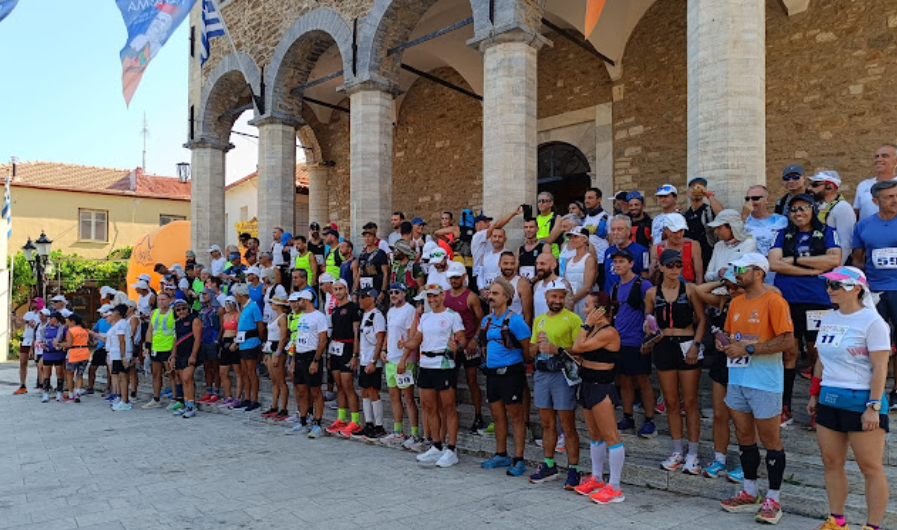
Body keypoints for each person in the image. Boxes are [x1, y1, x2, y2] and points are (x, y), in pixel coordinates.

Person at [809, 266, 890, 530]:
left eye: (835, 285)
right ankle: (837, 520)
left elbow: (880, 367)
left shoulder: (873, 322)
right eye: (828, 285)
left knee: (870, 466)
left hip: (861, 399)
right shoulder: (829, 318)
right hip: (830, 397)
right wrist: (814, 394)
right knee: (831, 462)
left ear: (856, 288)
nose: (829, 290)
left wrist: (873, 406)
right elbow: (821, 359)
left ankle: (872, 526)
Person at [719, 253, 794, 525]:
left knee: (770, 440)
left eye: (741, 268)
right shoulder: (736, 302)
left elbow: (787, 341)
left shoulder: (775, 301)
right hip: (738, 378)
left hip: (765, 381)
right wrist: (724, 343)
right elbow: (732, 336)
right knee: (744, 435)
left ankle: (773, 498)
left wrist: (749, 348)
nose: (736, 273)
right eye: (735, 268)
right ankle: (750, 491)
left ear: (759, 272)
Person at [769, 193, 841, 426]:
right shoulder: (782, 234)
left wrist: (795, 260)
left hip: (817, 300)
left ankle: (819, 406)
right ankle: (785, 406)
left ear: (813, 209)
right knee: (788, 352)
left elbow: (834, 260)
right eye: (794, 209)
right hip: (787, 300)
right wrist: (811, 270)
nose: (798, 213)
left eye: (803, 208)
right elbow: (774, 263)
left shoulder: (827, 232)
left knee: (817, 353)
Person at [643, 249, 706, 473]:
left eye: (679, 265)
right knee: (670, 401)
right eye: (670, 265)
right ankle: (677, 450)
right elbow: (648, 319)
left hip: (686, 342)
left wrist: (696, 344)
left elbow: (702, 319)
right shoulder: (652, 292)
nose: (675, 269)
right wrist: (649, 331)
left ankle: (693, 453)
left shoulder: (689, 289)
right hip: (663, 345)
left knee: (690, 401)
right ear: (661, 267)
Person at [403, 284, 466, 468]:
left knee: (448, 407)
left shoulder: (452, 315)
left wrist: (457, 346)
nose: (432, 300)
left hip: (443, 364)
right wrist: (406, 344)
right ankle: (436, 445)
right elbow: (417, 339)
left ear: (442, 296)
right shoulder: (425, 317)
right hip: (426, 364)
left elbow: (462, 338)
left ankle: (451, 449)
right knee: (428, 406)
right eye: (429, 297)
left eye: (435, 296)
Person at [572, 292, 626, 504]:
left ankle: (615, 487)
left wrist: (586, 325)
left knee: (610, 435)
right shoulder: (593, 330)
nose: (584, 310)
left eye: (587, 306)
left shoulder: (608, 332)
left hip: (601, 386)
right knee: (594, 434)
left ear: (599, 310)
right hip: (587, 383)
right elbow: (578, 349)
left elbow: (578, 346)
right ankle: (596, 477)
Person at [528, 279, 583, 488]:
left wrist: (557, 349)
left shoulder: (573, 319)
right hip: (543, 373)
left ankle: (574, 469)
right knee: (547, 423)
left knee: (567, 424)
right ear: (546, 297)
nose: (558, 300)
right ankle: (549, 464)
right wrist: (538, 346)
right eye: (554, 296)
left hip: (562, 373)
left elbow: (580, 349)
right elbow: (530, 350)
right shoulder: (539, 320)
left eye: (561, 296)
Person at [479, 278, 531, 477]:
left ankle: (519, 458)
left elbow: (527, 348)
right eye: (490, 293)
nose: (491, 297)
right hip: (493, 373)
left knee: (516, 417)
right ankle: (501, 454)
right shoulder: (487, 320)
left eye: (496, 293)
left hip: (511, 373)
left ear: (507, 297)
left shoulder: (515, 320)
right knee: (497, 416)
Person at [852, 179, 897, 410]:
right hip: (875, 290)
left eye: (896, 195)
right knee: (874, 341)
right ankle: (872, 390)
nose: (895, 200)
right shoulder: (863, 226)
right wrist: (862, 289)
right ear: (875, 200)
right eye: (889, 197)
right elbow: (858, 259)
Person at [608, 248, 656, 439]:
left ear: (631, 263)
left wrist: (648, 338)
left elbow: (651, 312)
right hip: (620, 340)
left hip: (638, 340)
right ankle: (628, 417)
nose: (618, 265)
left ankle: (650, 420)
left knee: (642, 381)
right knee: (624, 380)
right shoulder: (615, 286)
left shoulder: (643, 284)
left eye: (622, 261)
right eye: (615, 262)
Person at [443, 261, 486, 434]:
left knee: (472, 380)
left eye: (456, 277)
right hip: (451, 345)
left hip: (468, 344)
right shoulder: (444, 295)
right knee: (450, 380)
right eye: (451, 277)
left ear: (463, 277)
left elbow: (482, 320)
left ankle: (478, 416)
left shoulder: (471, 297)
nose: (453, 280)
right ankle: (450, 414)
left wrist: (475, 339)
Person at [380, 283, 421, 448]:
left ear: (404, 293)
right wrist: (384, 349)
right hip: (391, 359)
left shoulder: (409, 310)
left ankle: (415, 434)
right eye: (391, 292)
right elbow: (389, 333)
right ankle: (398, 432)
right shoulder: (391, 311)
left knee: (408, 398)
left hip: (404, 360)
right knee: (394, 397)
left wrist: (404, 359)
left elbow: (411, 337)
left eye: (397, 292)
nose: (393, 295)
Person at [286, 290, 330, 438]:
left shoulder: (319, 317)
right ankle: (303, 420)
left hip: (311, 355)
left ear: (306, 300)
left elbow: (323, 340)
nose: (297, 303)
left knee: (315, 391)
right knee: (302, 390)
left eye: (299, 300)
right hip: (300, 355)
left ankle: (318, 423)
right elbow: (297, 338)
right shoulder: (302, 317)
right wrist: (293, 360)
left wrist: (316, 360)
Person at [324, 280, 364, 437]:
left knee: (348, 385)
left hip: (347, 348)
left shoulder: (353, 308)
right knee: (339, 385)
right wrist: (329, 355)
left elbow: (356, 333)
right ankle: (341, 418)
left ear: (346, 289)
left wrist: (355, 355)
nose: (338, 291)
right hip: (335, 349)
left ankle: (355, 420)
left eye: (340, 289)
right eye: (335, 289)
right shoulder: (334, 310)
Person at [356, 289, 388, 440]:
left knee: (373, 391)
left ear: (372, 298)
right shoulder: (364, 315)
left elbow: (380, 338)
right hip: (364, 359)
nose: (360, 300)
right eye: (360, 297)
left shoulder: (377, 316)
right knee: (364, 390)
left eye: (364, 297)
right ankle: (369, 423)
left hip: (372, 360)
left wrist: (374, 361)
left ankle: (379, 425)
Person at [809, 171, 855, 267]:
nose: (810, 188)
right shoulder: (818, 206)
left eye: (815, 185)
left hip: (834, 265)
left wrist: (835, 270)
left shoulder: (842, 208)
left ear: (829, 187)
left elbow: (846, 243)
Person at [232, 283, 265, 412]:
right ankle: (247, 397)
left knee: (251, 371)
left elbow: (260, 326)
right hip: (243, 343)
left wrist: (259, 341)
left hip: (251, 342)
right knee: (244, 371)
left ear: (240, 295)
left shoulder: (253, 306)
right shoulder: (244, 308)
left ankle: (254, 399)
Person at [141, 291, 176, 409]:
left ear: (169, 300)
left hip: (168, 347)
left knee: (171, 374)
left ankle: (175, 398)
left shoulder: (173, 313)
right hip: (156, 347)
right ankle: (156, 398)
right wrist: (147, 346)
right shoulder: (154, 313)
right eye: (159, 300)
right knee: (156, 374)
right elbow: (150, 330)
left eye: (163, 300)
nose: (160, 302)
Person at [167, 299, 201, 418]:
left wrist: (193, 355)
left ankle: (191, 406)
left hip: (190, 353)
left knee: (187, 379)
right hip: (180, 353)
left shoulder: (194, 320)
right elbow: (175, 340)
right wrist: (173, 355)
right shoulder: (177, 323)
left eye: (183, 308)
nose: (181, 311)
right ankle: (187, 404)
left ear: (188, 308)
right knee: (182, 380)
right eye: (178, 310)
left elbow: (197, 339)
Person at [650, 213, 704, 284]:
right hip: (665, 286)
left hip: (688, 286)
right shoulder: (656, 248)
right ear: (665, 230)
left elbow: (699, 275)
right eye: (674, 231)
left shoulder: (693, 245)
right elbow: (651, 277)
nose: (678, 235)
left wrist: (697, 290)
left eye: (681, 230)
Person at [705, 209, 757, 282]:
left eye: (719, 227)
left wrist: (728, 272)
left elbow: (744, 270)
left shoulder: (749, 243)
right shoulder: (718, 246)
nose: (716, 231)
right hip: (716, 286)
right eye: (715, 228)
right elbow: (707, 276)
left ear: (732, 227)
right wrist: (718, 273)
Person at [261, 296, 290, 421]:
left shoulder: (282, 318)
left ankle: (284, 408)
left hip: (277, 347)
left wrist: (278, 353)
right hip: (270, 347)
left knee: (280, 380)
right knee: (274, 380)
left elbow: (283, 337)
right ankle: (274, 406)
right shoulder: (275, 317)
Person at [604, 215, 649, 292]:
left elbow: (645, 277)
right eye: (613, 229)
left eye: (620, 229)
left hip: (630, 295)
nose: (615, 233)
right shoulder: (608, 251)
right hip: (609, 295)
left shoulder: (641, 251)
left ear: (628, 231)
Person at [743, 185, 788, 259]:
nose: (750, 202)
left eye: (755, 198)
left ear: (767, 200)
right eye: (747, 199)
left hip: (773, 262)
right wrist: (744, 216)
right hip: (748, 263)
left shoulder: (781, 220)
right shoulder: (743, 220)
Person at [854, 143, 897, 221]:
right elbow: (857, 214)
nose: (879, 159)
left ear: (895, 161)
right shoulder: (863, 185)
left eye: (885, 156)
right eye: (876, 156)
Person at [563, 226, 597, 319]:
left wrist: (572, 300)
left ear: (584, 239)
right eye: (571, 237)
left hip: (583, 302)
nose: (572, 239)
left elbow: (587, 287)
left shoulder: (589, 259)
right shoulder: (568, 261)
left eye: (576, 237)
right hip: (570, 301)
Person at [216, 297, 243, 409]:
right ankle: (228, 396)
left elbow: (240, 330)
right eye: (226, 304)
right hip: (225, 342)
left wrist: (236, 343)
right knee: (223, 371)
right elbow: (223, 329)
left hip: (234, 342)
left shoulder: (238, 315)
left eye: (230, 303)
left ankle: (238, 397)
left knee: (238, 372)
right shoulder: (225, 316)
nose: (228, 306)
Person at [196, 289, 222, 405]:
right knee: (206, 366)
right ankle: (208, 390)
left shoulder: (218, 309)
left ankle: (216, 391)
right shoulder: (202, 309)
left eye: (206, 294)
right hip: (204, 339)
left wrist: (218, 339)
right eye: (203, 294)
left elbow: (221, 325)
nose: (203, 296)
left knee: (215, 366)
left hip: (213, 339)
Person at [58, 313, 90, 404]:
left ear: (73, 321)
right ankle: (78, 393)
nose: (67, 322)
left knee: (69, 374)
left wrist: (59, 344)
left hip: (74, 354)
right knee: (80, 375)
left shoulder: (71, 330)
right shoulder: (84, 330)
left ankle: (71, 395)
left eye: (68, 321)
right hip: (85, 353)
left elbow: (69, 344)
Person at [13, 297, 41, 395]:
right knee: (22, 362)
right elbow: (18, 327)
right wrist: (14, 320)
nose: (33, 304)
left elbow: (35, 326)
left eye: (35, 302)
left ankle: (41, 384)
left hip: (36, 340)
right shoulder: (28, 314)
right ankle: (22, 385)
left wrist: (25, 321)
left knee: (39, 363)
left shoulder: (42, 315)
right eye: (33, 302)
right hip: (26, 339)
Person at [356, 227, 390, 306]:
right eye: (365, 237)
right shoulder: (362, 254)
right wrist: (355, 290)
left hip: (376, 287)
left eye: (369, 236)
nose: (367, 238)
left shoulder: (380, 253)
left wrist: (383, 291)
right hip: (364, 288)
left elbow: (385, 273)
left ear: (374, 239)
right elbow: (359, 273)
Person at [87, 305, 112, 396]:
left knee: (109, 369)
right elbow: (95, 330)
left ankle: (109, 388)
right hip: (99, 347)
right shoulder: (100, 321)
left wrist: (95, 335)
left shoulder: (114, 323)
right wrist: (94, 339)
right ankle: (90, 387)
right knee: (92, 367)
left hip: (109, 348)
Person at [535, 191, 559, 256]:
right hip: (537, 253)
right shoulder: (535, 219)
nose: (541, 203)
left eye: (544, 201)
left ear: (551, 203)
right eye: (539, 201)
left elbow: (551, 239)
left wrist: (535, 240)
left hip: (552, 254)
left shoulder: (556, 217)